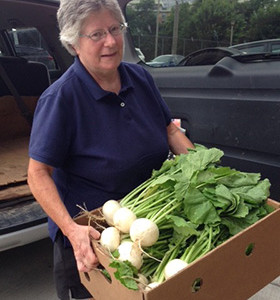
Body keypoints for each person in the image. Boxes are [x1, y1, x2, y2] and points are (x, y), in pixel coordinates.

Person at [27, 0, 194, 299]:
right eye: (97, 34)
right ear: (73, 44)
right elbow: (38, 174)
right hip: (93, 235)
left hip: (144, 225)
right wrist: (72, 231)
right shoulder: (61, 99)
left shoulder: (140, 78)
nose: (111, 41)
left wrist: (200, 168)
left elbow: (169, 130)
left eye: (115, 29)